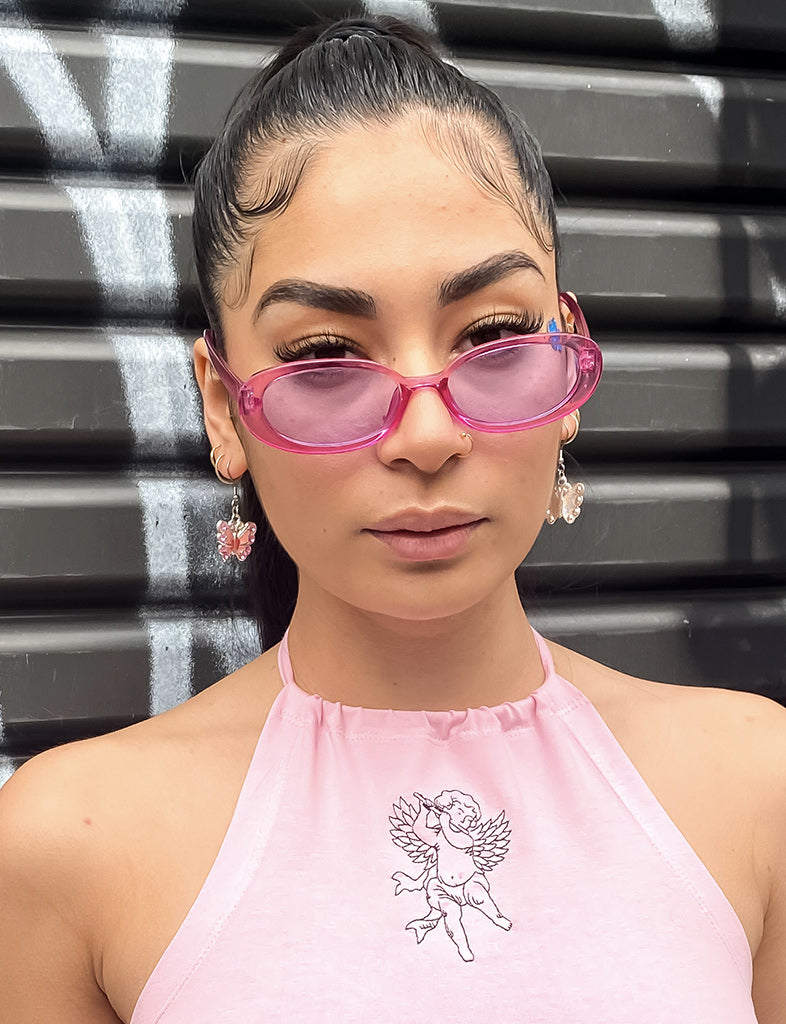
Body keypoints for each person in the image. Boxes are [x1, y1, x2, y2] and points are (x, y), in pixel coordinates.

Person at [1, 14, 785, 1024]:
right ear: (222, 407)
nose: (427, 434)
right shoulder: (63, 849)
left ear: (566, 363)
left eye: (492, 333)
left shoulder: (759, 789)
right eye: (325, 355)